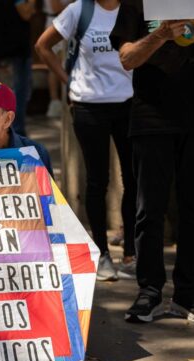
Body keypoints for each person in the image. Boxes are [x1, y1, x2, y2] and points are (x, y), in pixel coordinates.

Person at [110, 0, 194, 323]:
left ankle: (188, 292)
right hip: (151, 119)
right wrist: (161, 35)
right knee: (149, 210)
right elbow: (127, 58)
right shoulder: (137, 3)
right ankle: (150, 290)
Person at [35, 0, 137, 282]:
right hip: (89, 106)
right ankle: (102, 254)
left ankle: (131, 253)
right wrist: (67, 80)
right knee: (97, 181)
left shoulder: (132, 9)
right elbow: (43, 46)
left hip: (128, 105)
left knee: (133, 178)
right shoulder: (79, 10)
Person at [0, 0, 37, 136]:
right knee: (21, 90)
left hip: (2, 47)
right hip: (17, 48)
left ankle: (6, 126)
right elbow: (26, 14)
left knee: (19, 88)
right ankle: (16, 128)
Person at [42, 0, 73, 118]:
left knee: (65, 61)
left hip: (66, 21)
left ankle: (65, 98)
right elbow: (56, 7)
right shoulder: (75, 10)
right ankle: (55, 100)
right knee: (56, 62)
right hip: (56, 22)